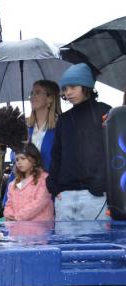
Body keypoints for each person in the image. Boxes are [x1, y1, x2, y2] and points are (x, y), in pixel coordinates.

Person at [46, 63, 112, 220]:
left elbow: (113, 152)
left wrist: (101, 185)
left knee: (96, 244)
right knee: (65, 244)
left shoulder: (106, 112)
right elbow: (57, 154)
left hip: (95, 196)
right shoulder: (63, 119)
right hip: (65, 196)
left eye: (73, 87)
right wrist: (53, 186)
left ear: (86, 86)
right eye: (65, 88)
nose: (68, 92)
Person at [3, 143, 54, 221]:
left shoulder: (44, 179)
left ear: (33, 160)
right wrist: (9, 215)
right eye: (17, 159)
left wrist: (17, 217)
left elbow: (39, 203)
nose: (19, 162)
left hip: (40, 228)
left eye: (23, 158)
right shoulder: (13, 183)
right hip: (18, 228)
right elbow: (9, 203)